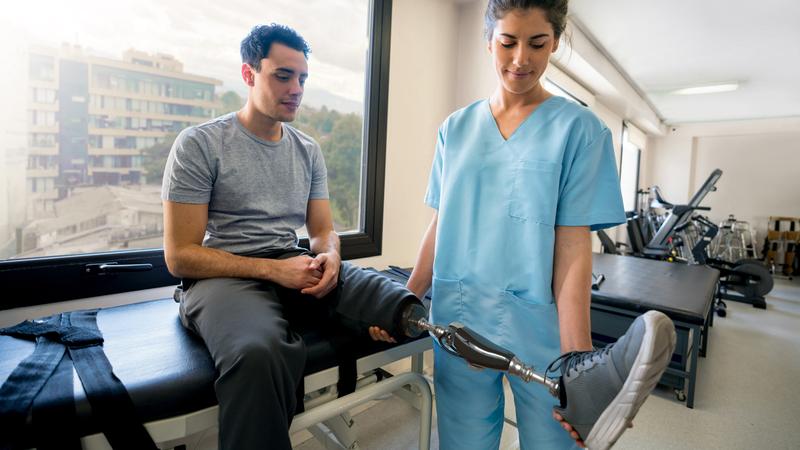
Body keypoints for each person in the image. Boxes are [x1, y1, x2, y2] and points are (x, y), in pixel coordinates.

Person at [406, 1, 675, 449]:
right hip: (457, 313)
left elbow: (573, 248)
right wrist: (408, 295)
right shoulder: (455, 129)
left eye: (537, 43)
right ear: (489, 41)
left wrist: (577, 362)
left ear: (555, 43)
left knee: (553, 440)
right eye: (508, 42)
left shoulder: (581, 131)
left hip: (540, 325)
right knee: (461, 440)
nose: (520, 59)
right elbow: (441, 221)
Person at [161, 24, 422, 450]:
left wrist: (332, 257)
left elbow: (321, 231)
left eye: (303, 78)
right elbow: (179, 256)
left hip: (290, 263)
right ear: (249, 74)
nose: (297, 88)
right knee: (259, 353)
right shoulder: (200, 144)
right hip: (221, 278)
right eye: (283, 75)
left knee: (393, 300)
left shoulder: (307, 150)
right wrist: (274, 271)